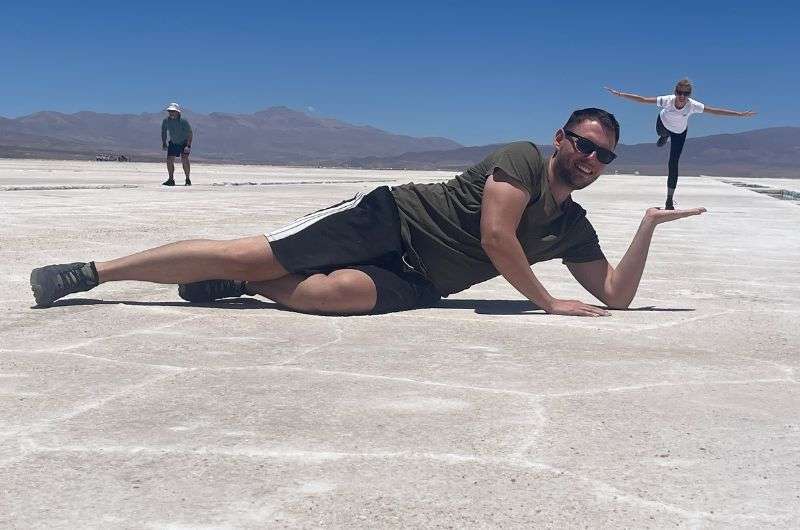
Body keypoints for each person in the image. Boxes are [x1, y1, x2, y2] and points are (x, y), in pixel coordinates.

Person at [30, 108, 706, 317]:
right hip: (393, 221)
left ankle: (239, 289)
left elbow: (616, 296)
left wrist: (646, 228)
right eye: (584, 145)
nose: (590, 159)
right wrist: (547, 301)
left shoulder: (573, 228)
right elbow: (499, 237)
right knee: (248, 249)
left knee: (341, 295)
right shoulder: (521, 158)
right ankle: (91, 273)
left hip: (423, 279)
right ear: (562, 139)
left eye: (603, 157)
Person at [605, 80, 755, 209]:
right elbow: (643, 100)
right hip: (662, 124)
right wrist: (620, 94)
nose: (682, 96)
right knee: (662, 134)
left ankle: (669, 198)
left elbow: (714, 111)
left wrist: (739, 114)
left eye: (686, 93)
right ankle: (664, 137)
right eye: (679, 92)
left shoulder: (692, 105)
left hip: (679, 133)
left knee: (673, 163)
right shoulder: (667, 100)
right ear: (675, 92)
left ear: (689, 94)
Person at [161, 102, 193, 186]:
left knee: (184, 159)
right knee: (169, 160)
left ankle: (187, 179)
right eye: (170, 111)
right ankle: (171, 179)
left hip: (184, 142)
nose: (171, 113)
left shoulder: (183, 121)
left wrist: (188, 145)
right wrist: (164, 142)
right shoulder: (166, 121)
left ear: (178, 112)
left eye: (173, 111)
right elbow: (163, 132)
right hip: (173, 142)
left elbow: (190, 133)